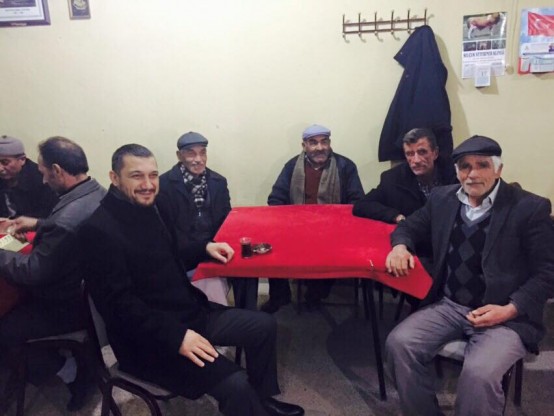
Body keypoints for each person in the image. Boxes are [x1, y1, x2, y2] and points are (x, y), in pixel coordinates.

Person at [79, 144, 304, 416]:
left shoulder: (152, 207)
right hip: (148, 343)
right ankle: (250, 405)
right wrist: (177, 337)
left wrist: (205, 247)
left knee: (263, 325)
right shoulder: (98, 231)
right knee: (235, 383)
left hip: (189, 314)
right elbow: (118, 308)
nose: (148, 184)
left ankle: (262, 401)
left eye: (153, 175)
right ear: (114, 178)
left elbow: (171, 251)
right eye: (136, 176)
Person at [384, 135, 554, 416]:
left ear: (498, 169)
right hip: (450, 306)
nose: (472, 174)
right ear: (457, 171)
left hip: (505, 314)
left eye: (482, 165)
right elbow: (409, 227)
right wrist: (400, 246)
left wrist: (510, 309)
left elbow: (547, 273)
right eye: (465, 166)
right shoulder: (442, 198)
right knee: (399, 345)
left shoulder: (529, 208)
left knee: (479, 375)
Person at [0, 136, 106, 411]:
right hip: (93, 293)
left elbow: (33, 272)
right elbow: (67, 224)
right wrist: (39, 223)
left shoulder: (67, 218)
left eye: (44, 172)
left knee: (5, 328)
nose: (44, 180)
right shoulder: (94, 191)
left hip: (68, 304)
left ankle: (69, 371)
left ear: (57, 170)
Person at [261, 124, 364, 313]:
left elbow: (357, 201)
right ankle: (280, 296)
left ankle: (315, 294)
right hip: (297, 228)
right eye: (313, 142)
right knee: (271, 245)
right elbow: (275, 198)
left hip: (334, 230)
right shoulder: (292, 166)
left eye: (324, 142)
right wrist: (289, 221)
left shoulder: (345, 166)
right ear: (304, 146)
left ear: (329, 143)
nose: (319, 147)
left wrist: (336, 222)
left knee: (329, 251)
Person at [160, 131, 258, 309]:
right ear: (179, 155)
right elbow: (169, 233)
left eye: (202, 152)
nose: (198, 159)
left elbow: (226, 220)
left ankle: (246, 314)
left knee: (247, 264)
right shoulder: (163, 185)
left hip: (215, 246)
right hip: (184, 253)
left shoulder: (218, 182)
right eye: (191, 153)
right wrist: (203, 248)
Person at [353, 128, 456, 226]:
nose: (416, 160)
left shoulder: (455, 173)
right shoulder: (393, 179)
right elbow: (362, 205)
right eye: (410, 154)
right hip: (416, 235)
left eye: (422, 152)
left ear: (435, 153)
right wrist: (395, 216)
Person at [0, 135, 58, 227]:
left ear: (22, 159)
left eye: (5, 163)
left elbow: (47, 219)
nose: (0, 168)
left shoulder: (41, 179)